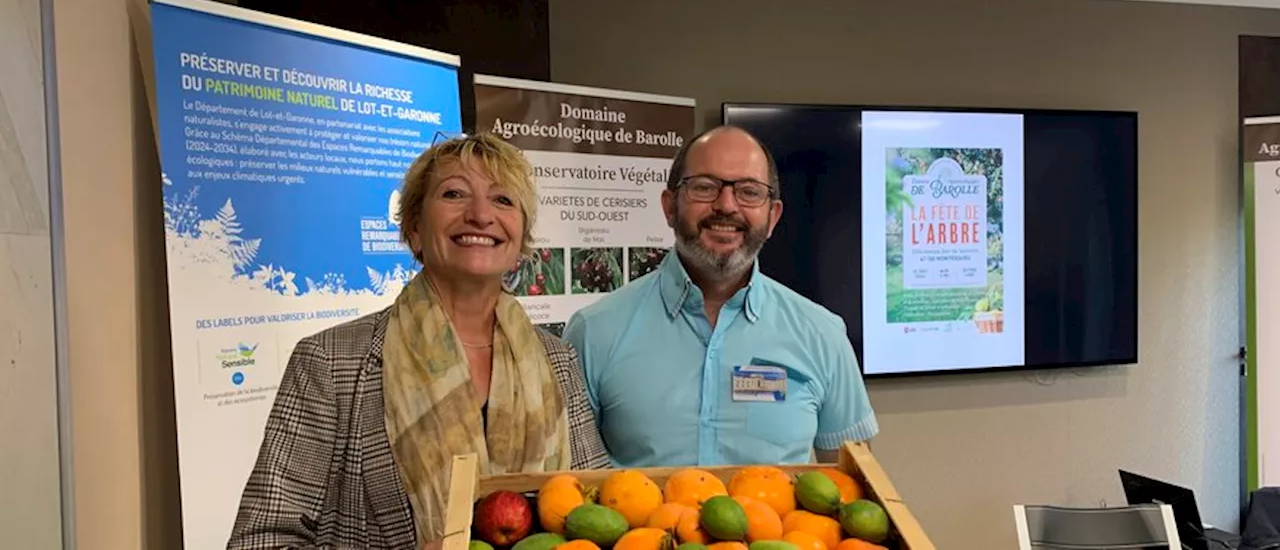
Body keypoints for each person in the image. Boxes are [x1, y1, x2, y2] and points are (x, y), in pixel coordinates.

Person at [227, 133, 610, 550]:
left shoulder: (557, 359)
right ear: (414, 230)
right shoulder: (330, 362)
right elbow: (261, 539)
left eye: (503, 200)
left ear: (521, 241)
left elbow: (596, 507)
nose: (481, 215)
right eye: (454, 193)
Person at [563, 125, 878, 468]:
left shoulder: (823, 334)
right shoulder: (593, 333)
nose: (726, 205)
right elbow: (573, 485)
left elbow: (851, 486)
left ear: (772, 217)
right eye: (704, 187)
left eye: (749, 191)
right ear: (669, 207)